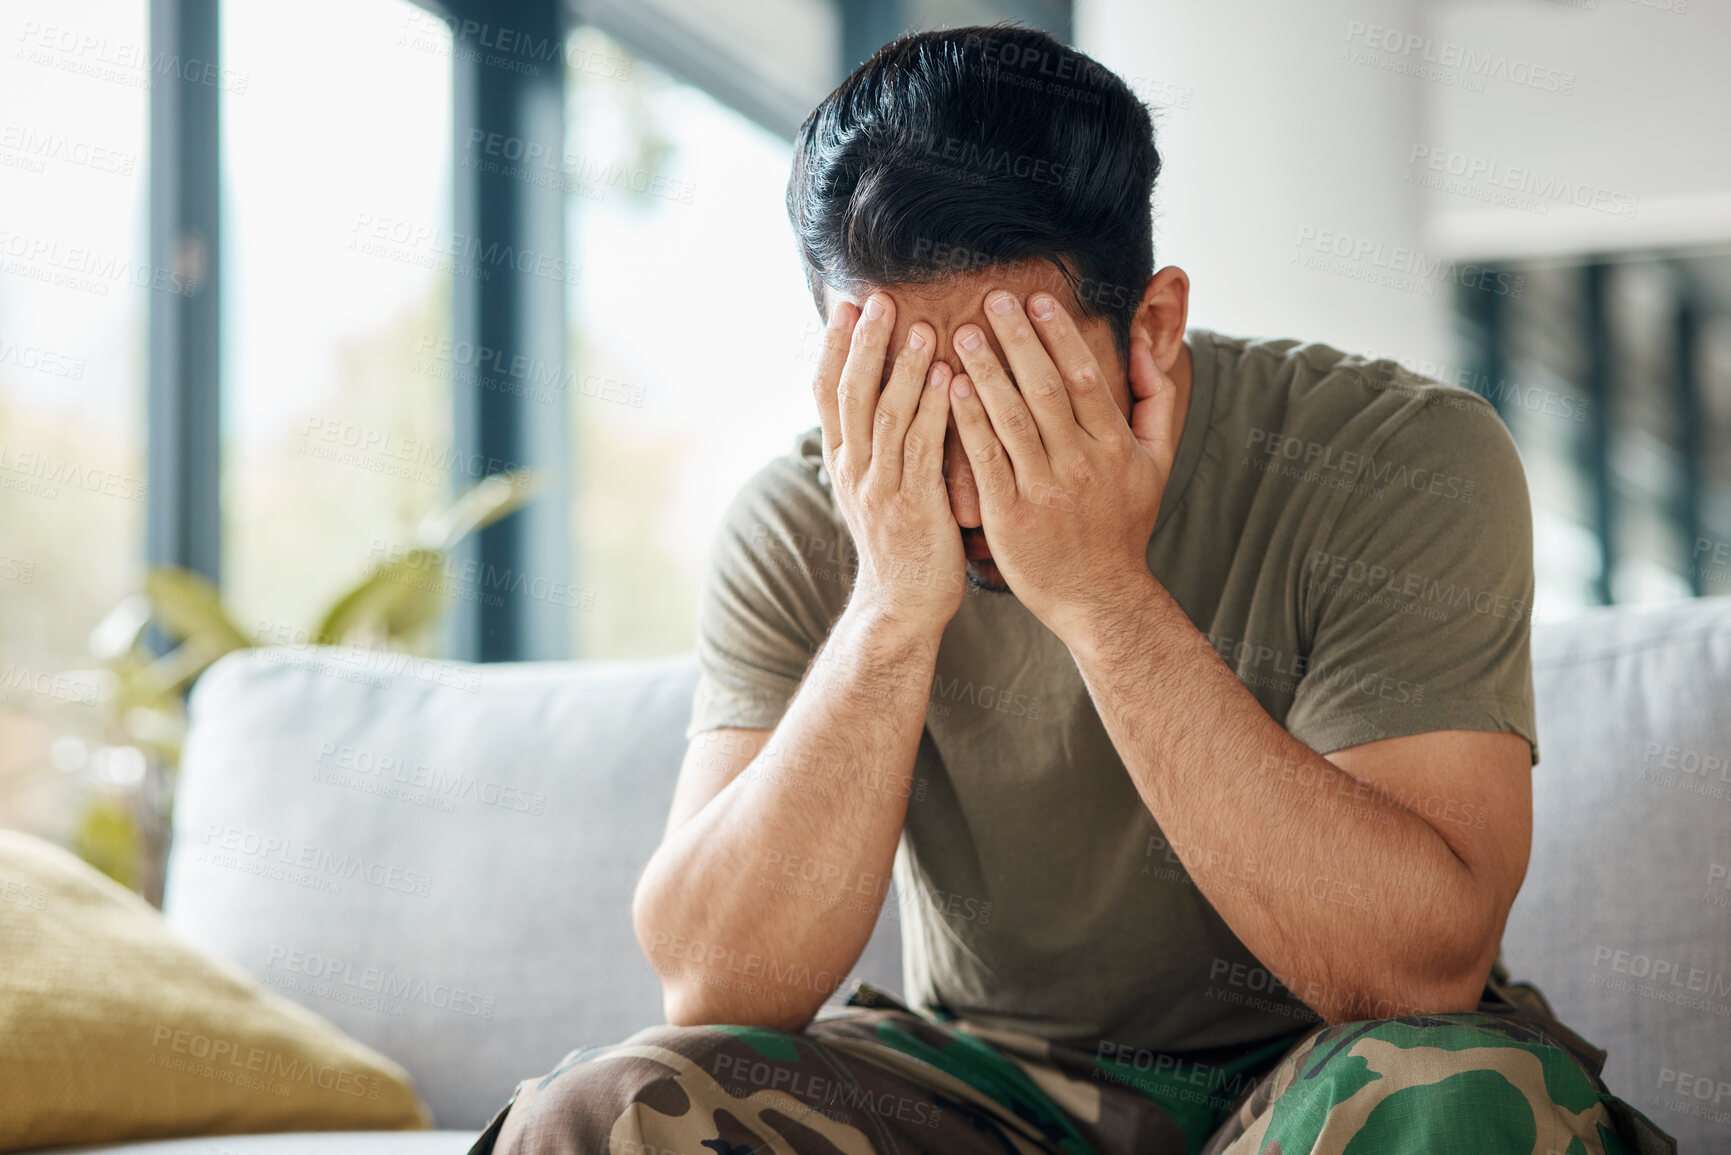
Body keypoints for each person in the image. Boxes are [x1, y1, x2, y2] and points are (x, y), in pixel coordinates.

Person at [470, 25, 1673, 1155]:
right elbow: (717, 985)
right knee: (604, 1115)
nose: (972, 481)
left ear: (1150, 327)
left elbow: (1417, 975)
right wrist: (890, 608)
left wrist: (1102, 593)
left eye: (1018, 393)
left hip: (1326, 1066)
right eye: (906, 397)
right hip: (979, 1078)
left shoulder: (1399, 455)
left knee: (1454, 1097)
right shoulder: (803, 517)